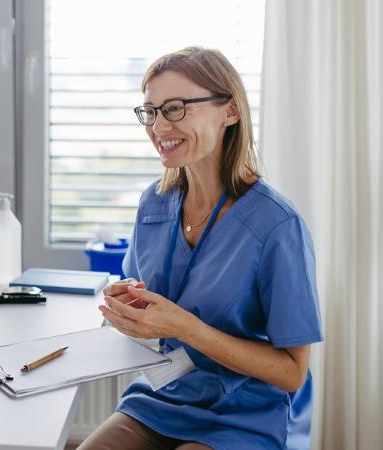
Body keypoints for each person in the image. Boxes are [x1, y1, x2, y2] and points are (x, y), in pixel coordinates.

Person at [79, 47, 323, 450]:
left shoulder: (277, 225)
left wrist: (183, 327)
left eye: (175, 108)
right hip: (165, 395)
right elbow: (147, 293)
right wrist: (127, 302)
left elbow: (292, 373)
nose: (158, 126)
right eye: (150, 111)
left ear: (229, 111)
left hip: (248, 411)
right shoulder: (154, 204)